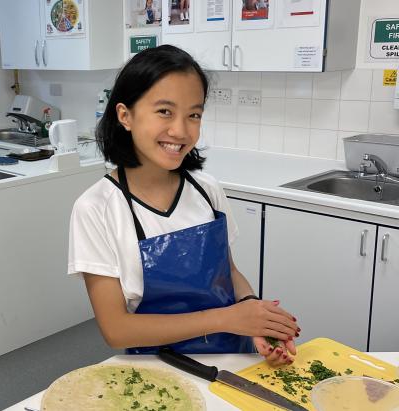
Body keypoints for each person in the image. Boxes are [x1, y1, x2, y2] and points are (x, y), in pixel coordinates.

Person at [68, 45, 299, 366]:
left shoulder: (207, 189)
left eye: (194, 114)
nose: (180, 130)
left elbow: (228, 273)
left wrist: (255, 317)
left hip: (234, 355)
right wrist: (227, 318)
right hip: (156, 368)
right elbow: (116, 329)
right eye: (164, 111)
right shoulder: (96, 208)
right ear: (125, 115)